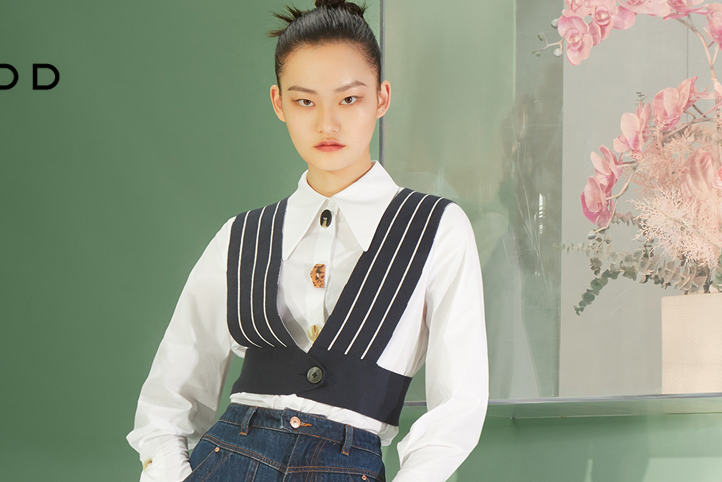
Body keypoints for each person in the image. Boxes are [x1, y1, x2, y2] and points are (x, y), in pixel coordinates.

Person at [125, 1, 488, 480]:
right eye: (305, 101)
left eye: (349, 99)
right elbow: (169, 398)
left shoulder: (436, 228)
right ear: (278, 103)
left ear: (381, 98)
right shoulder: (242, 236)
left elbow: (458, 406)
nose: (327, 124)